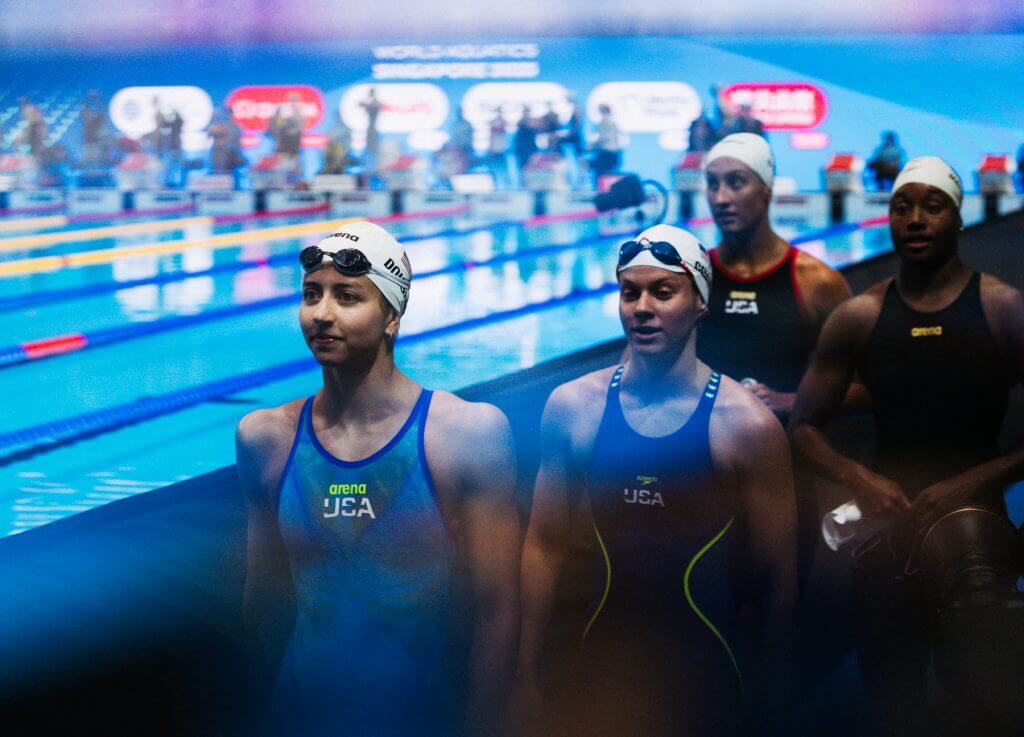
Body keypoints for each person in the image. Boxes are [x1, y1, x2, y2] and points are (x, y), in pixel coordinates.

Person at [237, 221, 520, 737]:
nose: (321, 314)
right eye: (311, 295)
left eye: (347, 297)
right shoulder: (266, 439)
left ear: (391, 315)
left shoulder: (464, 435)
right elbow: (262, 610)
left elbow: (496, 614)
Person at [516, 223, 797, 737]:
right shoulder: (573, 409)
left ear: (700, 302)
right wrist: (524, 671)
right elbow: (543, 546)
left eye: (663, 292)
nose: (641, 307)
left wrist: (774, 694)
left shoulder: (746, 426)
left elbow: (778, 581)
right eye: (630, 292)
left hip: (709, 678)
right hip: (597, 670)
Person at [789, 156, 1024, 737]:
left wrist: (972, 482)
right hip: (888, 521)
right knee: (892, 699)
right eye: (902, 207)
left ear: (958, 219)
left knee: (984, 696)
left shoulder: (1000, 308)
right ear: (889, 219)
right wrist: (861, 479)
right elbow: (802, 428)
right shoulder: (859, 316)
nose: (916, 219)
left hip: (975, 524)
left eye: (932, 205)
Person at [589, 104, 622, 184]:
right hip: (614, 152)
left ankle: (601, 192)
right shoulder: (613, 122)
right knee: (608, 174)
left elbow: (604, 138)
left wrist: (591, 147)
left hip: (606, 152)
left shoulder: (605, 122)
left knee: (600, 173)